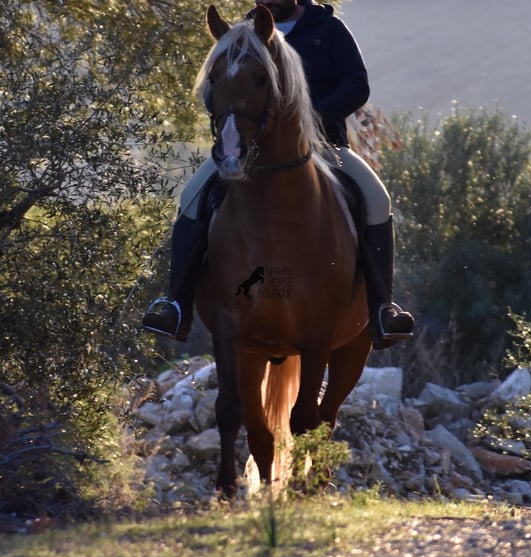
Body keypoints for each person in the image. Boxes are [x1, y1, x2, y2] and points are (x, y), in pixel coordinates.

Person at [142, 0, 414, 346]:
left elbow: (357, 85)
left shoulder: (329, 29)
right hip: (247, 149)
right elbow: (215, 90)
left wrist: (311, 119)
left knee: (377, 199)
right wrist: (232, 121)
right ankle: (175, 305)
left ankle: (382, 308)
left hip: (324, 146)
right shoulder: (241, 36)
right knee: (191, 196)